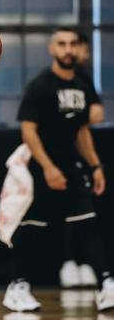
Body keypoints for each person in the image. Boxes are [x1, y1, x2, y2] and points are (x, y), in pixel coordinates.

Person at [2, 27, 114, 315]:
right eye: (62, 44)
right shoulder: (41, 86)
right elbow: (28, 131)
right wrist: (48, 167)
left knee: (88, 224)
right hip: (41, 167)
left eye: (73, 44)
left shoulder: (82, 84)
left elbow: (82, 132)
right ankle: (17, 287)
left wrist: (95, 165)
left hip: (71, 165)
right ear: (51, 49)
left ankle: (106, 285)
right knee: (32, 228)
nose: (68, 49)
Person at [59, 32, 106, 288]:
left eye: (78, 47)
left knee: (83, 214)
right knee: (56, 215)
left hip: (79, 150)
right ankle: (67, 262)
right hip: (54, 154)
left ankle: (82, 262)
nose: (74, 52)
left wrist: (73, 115)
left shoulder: (83, 79)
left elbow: (97, 114)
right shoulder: (51, 80)